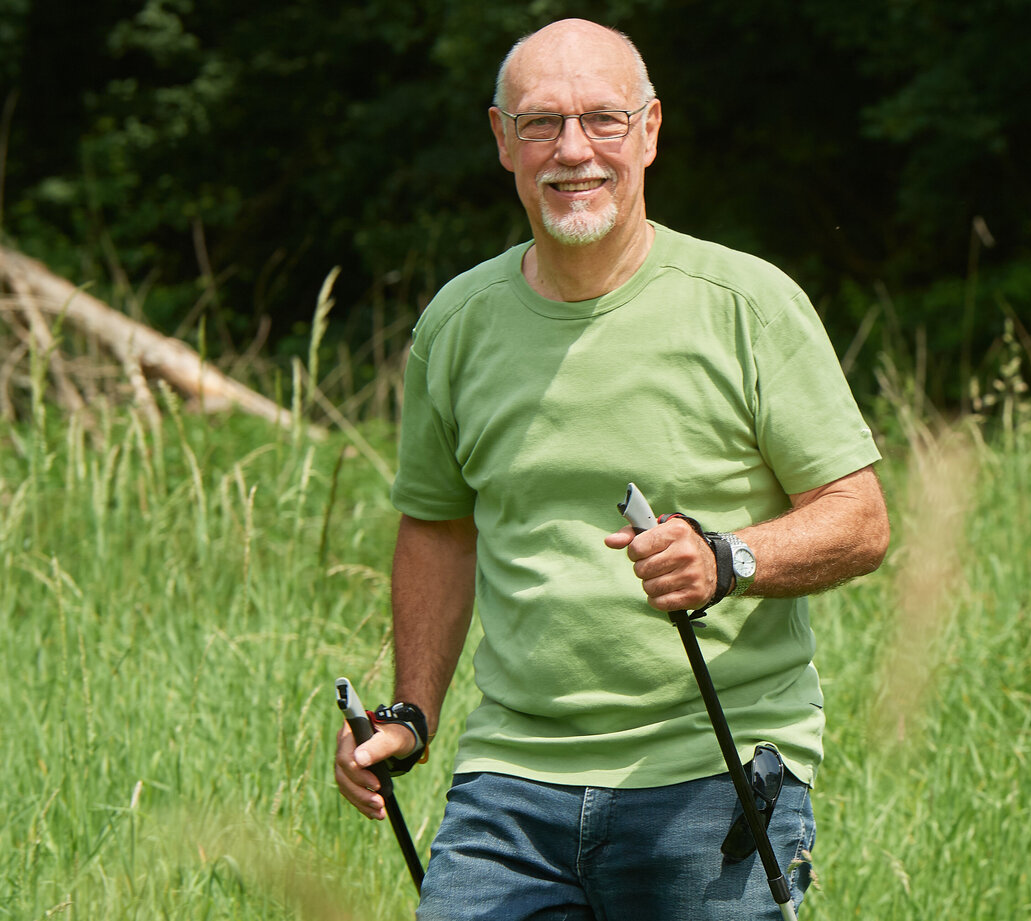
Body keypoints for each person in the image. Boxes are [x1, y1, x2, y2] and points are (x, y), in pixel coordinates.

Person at [331, 18, 889, 920]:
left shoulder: (748, 305)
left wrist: (725, 558)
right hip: (509, 785)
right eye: (543, 123)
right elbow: (438, 525)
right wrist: (411, 713)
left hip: (713, 771)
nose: (574, 150)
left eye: (603, 120)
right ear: (503, 140)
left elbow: (860, 517)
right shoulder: (456, 323)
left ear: (652, 130)